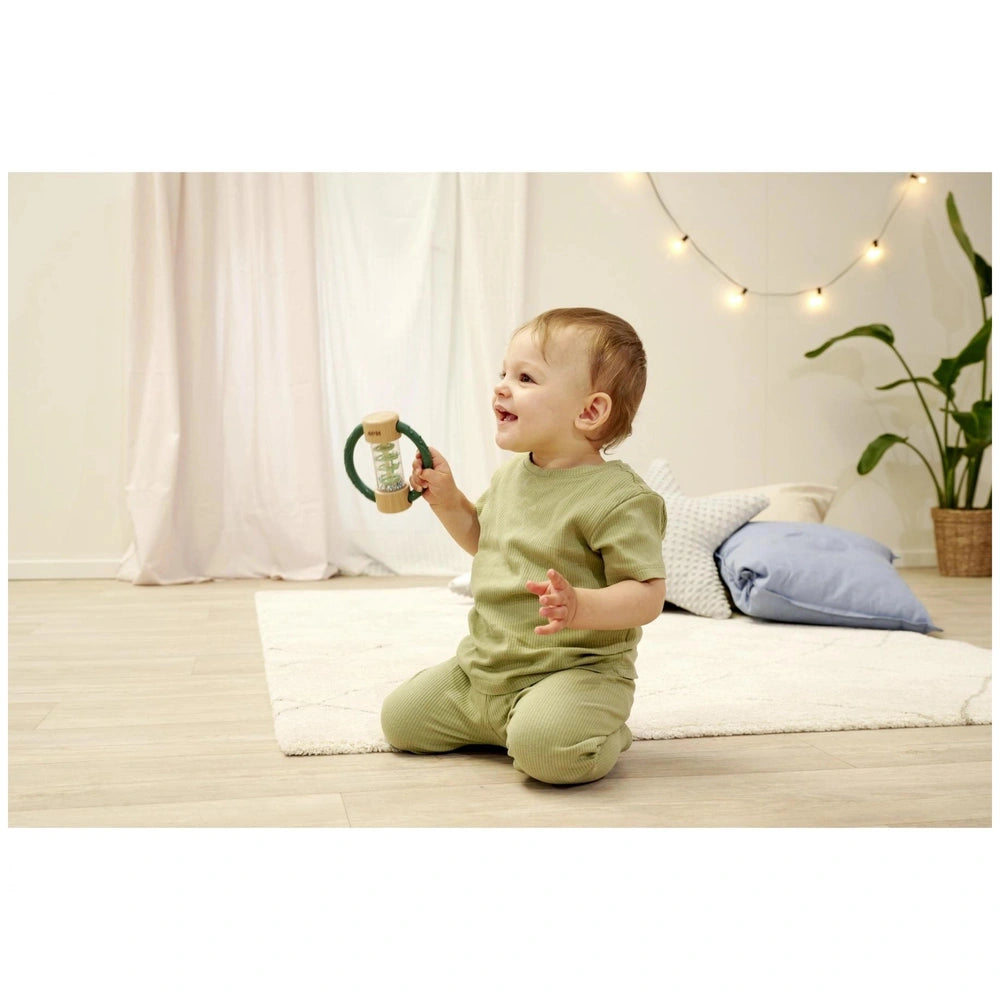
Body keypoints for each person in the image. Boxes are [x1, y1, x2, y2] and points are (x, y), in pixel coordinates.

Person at [380, 307, 666, 785]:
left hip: (574, 673)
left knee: (550, 756)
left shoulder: (621, 500)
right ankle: (505, 721)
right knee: (400, 721)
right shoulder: (514, 474)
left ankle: (600, 730)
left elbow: (647, 594)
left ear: (589, 410)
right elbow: (483, 542)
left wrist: (581, 606)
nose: (501, 386)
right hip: (486, 670)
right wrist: (447, 500)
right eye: (504, 373)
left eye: (526, 377)